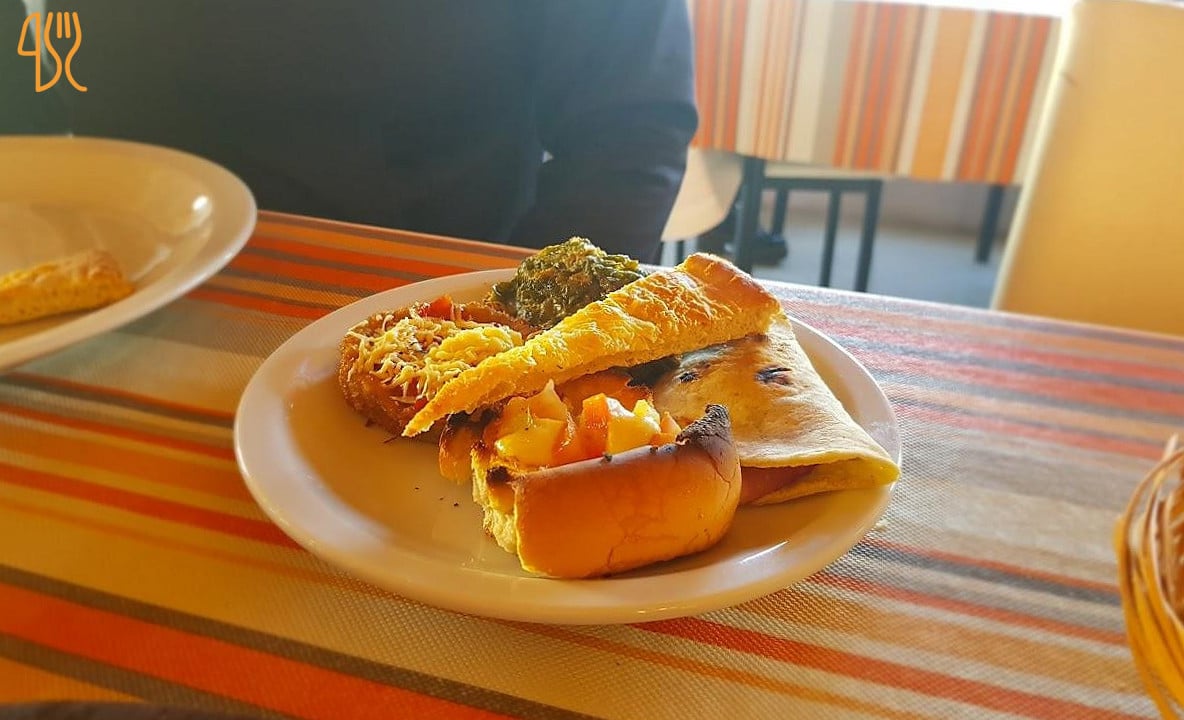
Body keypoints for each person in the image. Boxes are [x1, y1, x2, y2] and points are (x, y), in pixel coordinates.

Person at [8, 1, 698, 263]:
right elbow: (23, 91)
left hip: (435, 306)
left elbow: (628, 131)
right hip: (98, 294)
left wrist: (524, 336)